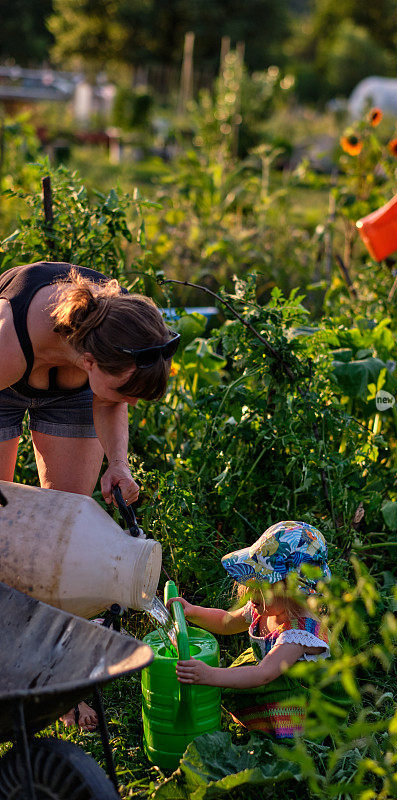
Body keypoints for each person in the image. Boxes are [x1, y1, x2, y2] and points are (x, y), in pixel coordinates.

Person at [0, 261, 180, 730]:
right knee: (2, 530)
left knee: (63, 536)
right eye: (129, 392)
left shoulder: (115, 338)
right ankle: (6, 670)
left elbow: (112, 399)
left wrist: (118, 465)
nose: (133, 404)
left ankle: (57, 682)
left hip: (72, 391)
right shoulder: (8, 342)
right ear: (89, 362)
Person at [167, 521, 333, 739]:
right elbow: (226, 622)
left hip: (296, 702)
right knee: (244, 682)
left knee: (280, 734)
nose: (251, 596)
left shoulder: (299, 634)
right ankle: (257, 720)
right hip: (270, 679)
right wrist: (193, 611)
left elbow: (264, 674)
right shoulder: (265, 607)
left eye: (261, 587)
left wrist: (209, 674)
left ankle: (282, 737)